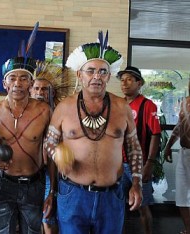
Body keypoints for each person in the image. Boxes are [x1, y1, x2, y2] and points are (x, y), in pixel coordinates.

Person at [44, 31, 143, 234]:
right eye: (90, 71)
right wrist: (58, 155)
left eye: (102, 72)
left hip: (111, 195)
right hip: (73, 194)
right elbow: (49, 143)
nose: (97, 76)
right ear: (79, 74)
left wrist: (136, 183)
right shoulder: (64, 107)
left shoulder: (121, 107)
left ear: (108, 75)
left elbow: (134, 148)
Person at [0, 22, 51, 234]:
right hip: (3, 183)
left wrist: (53, 190)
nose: (18, 83)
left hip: (34, 183)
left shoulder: (44, 112)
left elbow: (51, 150)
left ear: (31, 84)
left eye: (24, 78)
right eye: (12, 78)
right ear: (4, 83)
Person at [30, 61, 76, 234]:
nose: (40, 93)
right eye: (37, 89)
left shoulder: (61, 114)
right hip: (30, 174)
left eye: (44, 89)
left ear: (52, 92)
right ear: (30, 90)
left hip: (54, 173)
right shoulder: (24, 114)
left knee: (48, 217)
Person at [117, 66, 161, 234]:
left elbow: (156, 134)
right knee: (119, 205)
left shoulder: (148, 105)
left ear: (139, 83)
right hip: (120, 165)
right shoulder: (119, 104)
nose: (125, 83)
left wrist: (150, 163)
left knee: (143, 206)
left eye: (129, 80)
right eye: (122, 80)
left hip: (139, 165)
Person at [164, 81, 190, 234]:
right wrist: (168, 146)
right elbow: (179, 126)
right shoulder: (186, 102)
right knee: (181, 195)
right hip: (184, 153)